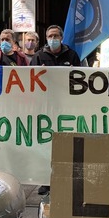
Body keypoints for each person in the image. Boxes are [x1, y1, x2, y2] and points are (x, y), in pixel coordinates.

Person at [31, 24, 82, 194]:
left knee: (66, 143)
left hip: (66, 107)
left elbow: (79, 79)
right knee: (46, 144)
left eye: (55, 36)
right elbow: (30, 79)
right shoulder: (39, 56)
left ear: (61, 38)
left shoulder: (72, 55)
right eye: (50, 36)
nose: (53, 39)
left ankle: (64, 179)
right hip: (45, 107)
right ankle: (46, 181)